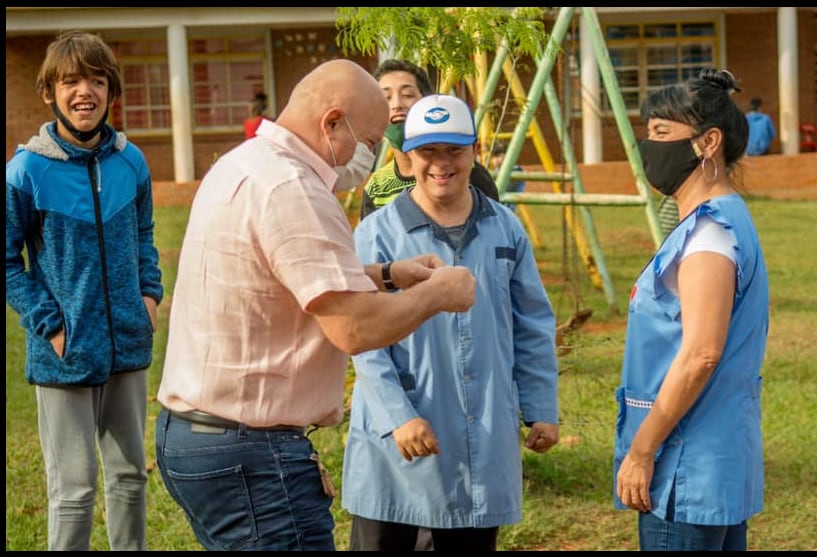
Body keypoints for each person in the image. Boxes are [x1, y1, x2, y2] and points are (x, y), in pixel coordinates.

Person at [154, 59, 477, 551]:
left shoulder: (242, 164)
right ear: (332, 123)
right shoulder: (295, 189)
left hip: (201, 437)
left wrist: (388, 275)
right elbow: (353, 327)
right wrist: (437, 294)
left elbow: (282, 278)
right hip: (252, 452)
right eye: (368, 142)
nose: (369, 156)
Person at [342, 94, 561, 551]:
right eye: (428, 152)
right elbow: (362, 338)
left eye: (454, 152)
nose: (441, 165)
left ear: (475, 152)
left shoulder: (505, 228)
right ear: (408, 156)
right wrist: (398, 417)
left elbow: (532, 323)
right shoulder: (377, 233)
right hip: (397, 442)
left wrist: (541, 406)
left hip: (481, 432)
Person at [5, 30, 163, 551]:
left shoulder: (130, 161)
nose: (85, 92)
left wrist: (148, 294)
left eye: (97, 80)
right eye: (71, 81)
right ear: (50, 92)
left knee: (130, 478)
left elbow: (143, 234)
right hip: (64, 352)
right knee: (73, 490)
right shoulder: (27, 170)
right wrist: (48, 323)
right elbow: (7, 262)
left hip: (126, 343)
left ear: (111, 91)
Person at [613, 68, 769, 551]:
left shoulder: (708, 235)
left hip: (684, 468)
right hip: (714, 462)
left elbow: (701, 353)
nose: (648, 146)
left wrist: (642, 449)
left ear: (708, 143)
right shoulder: (726, 219)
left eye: (661, 133)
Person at [359, 59, 499, 221]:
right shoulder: (377, 186)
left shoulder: (464, 173)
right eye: (386, 97)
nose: (397, 105)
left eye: (407, 95)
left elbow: (493, 233)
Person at [487, 140, 526, 212]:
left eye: (498, 156)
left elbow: (505, 188)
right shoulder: (494, 172)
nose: (495, 160)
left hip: (506, 210)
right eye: (494, 157)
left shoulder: (516, 171)